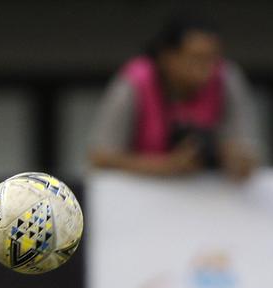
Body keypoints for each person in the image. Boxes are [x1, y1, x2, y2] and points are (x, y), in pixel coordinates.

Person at [87, 14, 261, 181]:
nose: (206, 69)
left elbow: (248, 151)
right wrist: (167, 166)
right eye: (196, 58)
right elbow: (99, 158)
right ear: (167, 56)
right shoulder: (134, 82)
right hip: (139, 201)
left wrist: (231, 157)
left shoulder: (226, 78)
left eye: (212, 59)